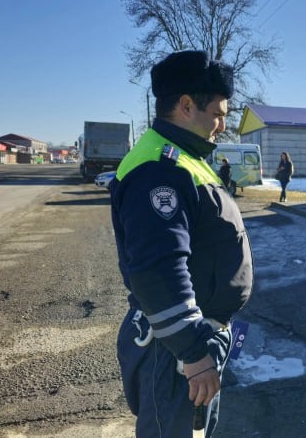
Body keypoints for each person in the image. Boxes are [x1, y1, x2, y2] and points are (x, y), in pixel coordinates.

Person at [110, 50, 253, 438]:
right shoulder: (159, 168)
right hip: (172, 350)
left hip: (188, 342)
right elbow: (159, 270)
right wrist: (194, 355)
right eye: (218, 113)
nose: (222, 124)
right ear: (187, 106)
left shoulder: (186, 157)